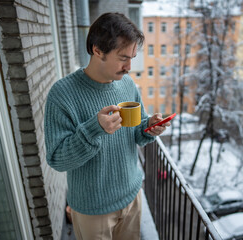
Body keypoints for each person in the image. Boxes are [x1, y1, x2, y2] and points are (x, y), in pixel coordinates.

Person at [44, 12, 170, 240]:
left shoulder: (128, 84)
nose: (129, 66)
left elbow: (137, 133)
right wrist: (94, 129)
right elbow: (57, 160)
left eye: (132, 57)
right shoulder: (62, 94)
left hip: (132, 197)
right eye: (123, 58)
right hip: (93, 210)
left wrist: (149, 127)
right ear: (97, 50)